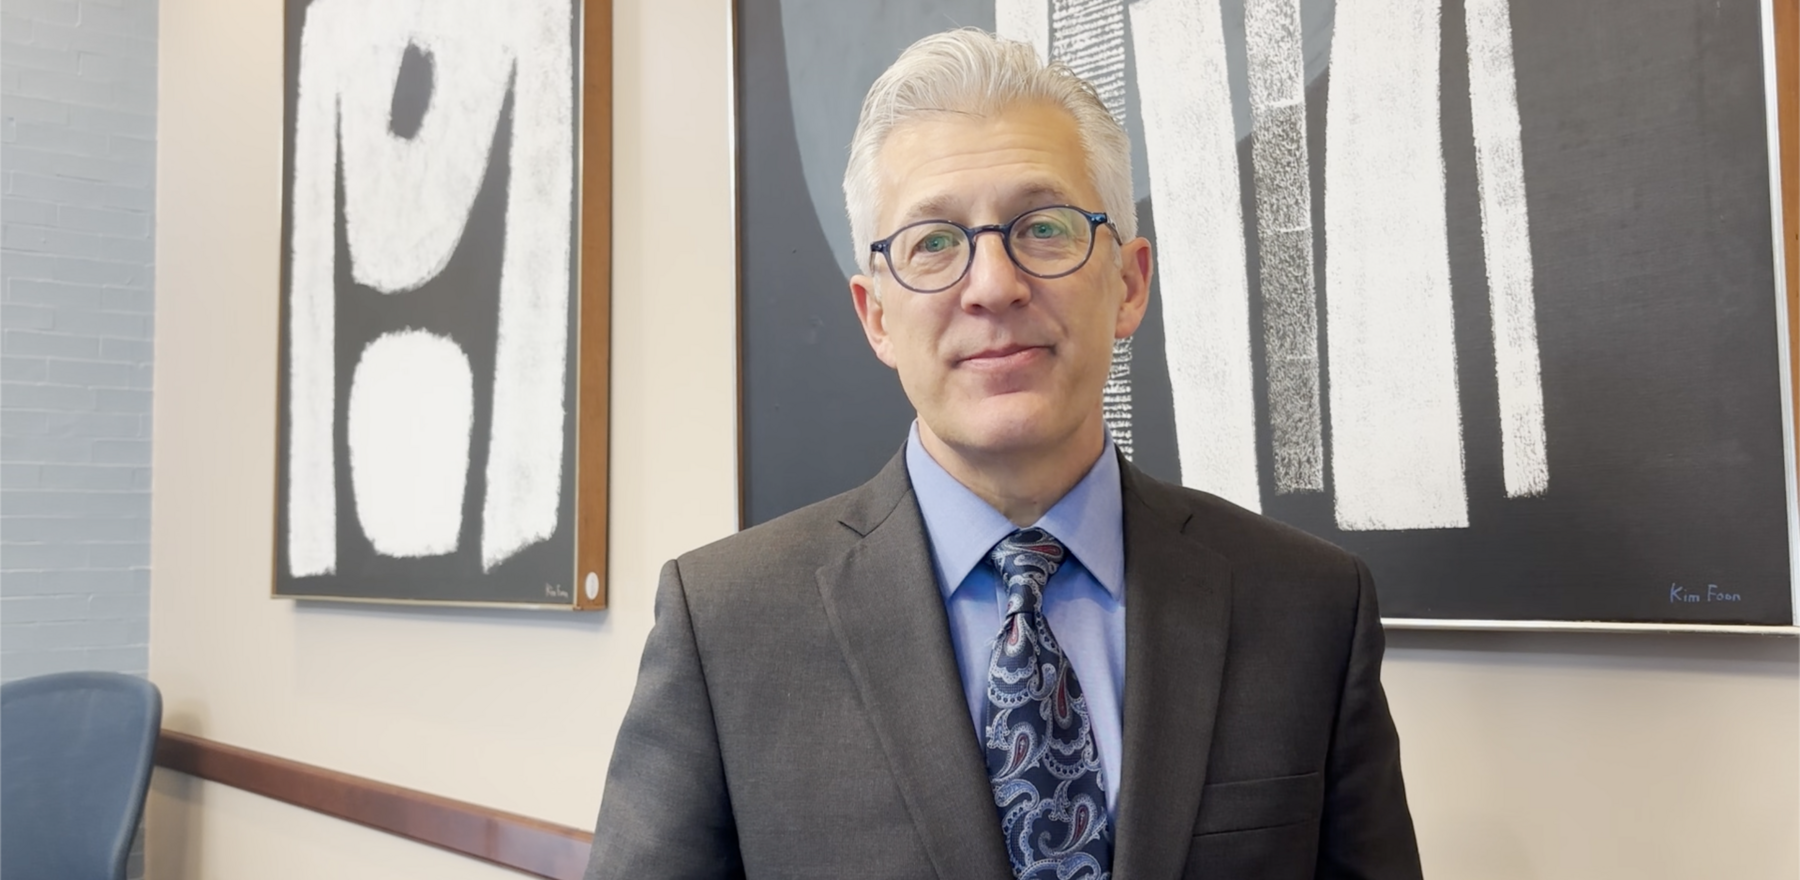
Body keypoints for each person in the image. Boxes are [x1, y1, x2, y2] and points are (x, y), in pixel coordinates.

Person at [586, 28, 1422, 880]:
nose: (992, 285)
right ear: (876, 316)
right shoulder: (725, 625)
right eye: (934, 243)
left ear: (1128, 284)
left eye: (1045, 227)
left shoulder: (1309, 607)